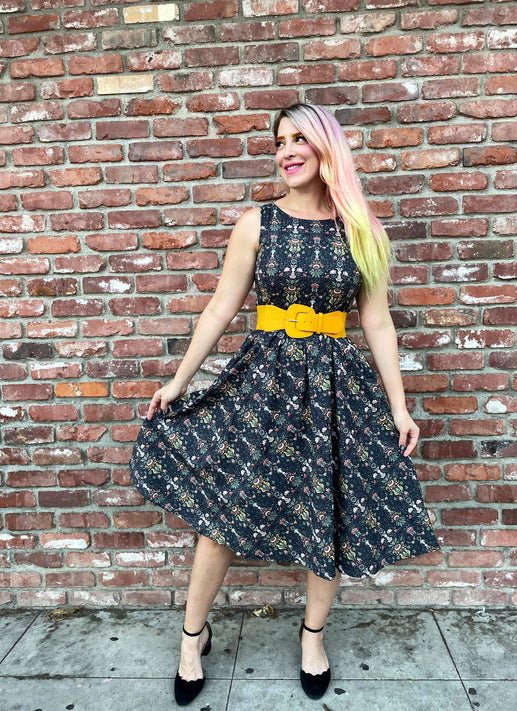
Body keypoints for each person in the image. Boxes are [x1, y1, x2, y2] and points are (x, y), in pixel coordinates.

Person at [129, 102, 441, 705]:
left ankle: (312, 636)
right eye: (279, 141)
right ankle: (193, 638)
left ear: (328, 148)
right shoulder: (256, 223)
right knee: (224, 509)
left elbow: (376, 323)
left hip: (334, 387)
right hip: (264, 384)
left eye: (300, 138)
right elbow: (220, 309)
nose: (286, 151)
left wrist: (400, 408)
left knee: (329, 509)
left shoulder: (361, 229)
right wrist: (178, 381)